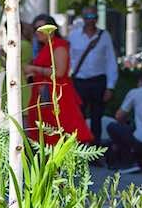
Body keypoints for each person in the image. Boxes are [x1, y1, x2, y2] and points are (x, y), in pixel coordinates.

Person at [25, 14, 93, 145]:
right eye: (35, 29)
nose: (38, 32)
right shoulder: (44, 46)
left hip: (57, 95)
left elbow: (60, 72)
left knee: (60, 131)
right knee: (47, 134)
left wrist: (34, 69)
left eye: (40, 27)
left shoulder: (59, 45)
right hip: (45, 95)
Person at [68, 6, 119, 144]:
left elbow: (111, 62)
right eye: (87, 17)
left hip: (98, 81)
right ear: (83, 19)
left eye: (93, 17)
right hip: (80, 82)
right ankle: (79, 148)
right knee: (79, 117)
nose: (91, 20)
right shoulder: (73, 36)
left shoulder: (104, 36)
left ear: (97, 18)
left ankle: (95, 150)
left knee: (97, 118)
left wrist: (110, 86)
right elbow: (69, 59)